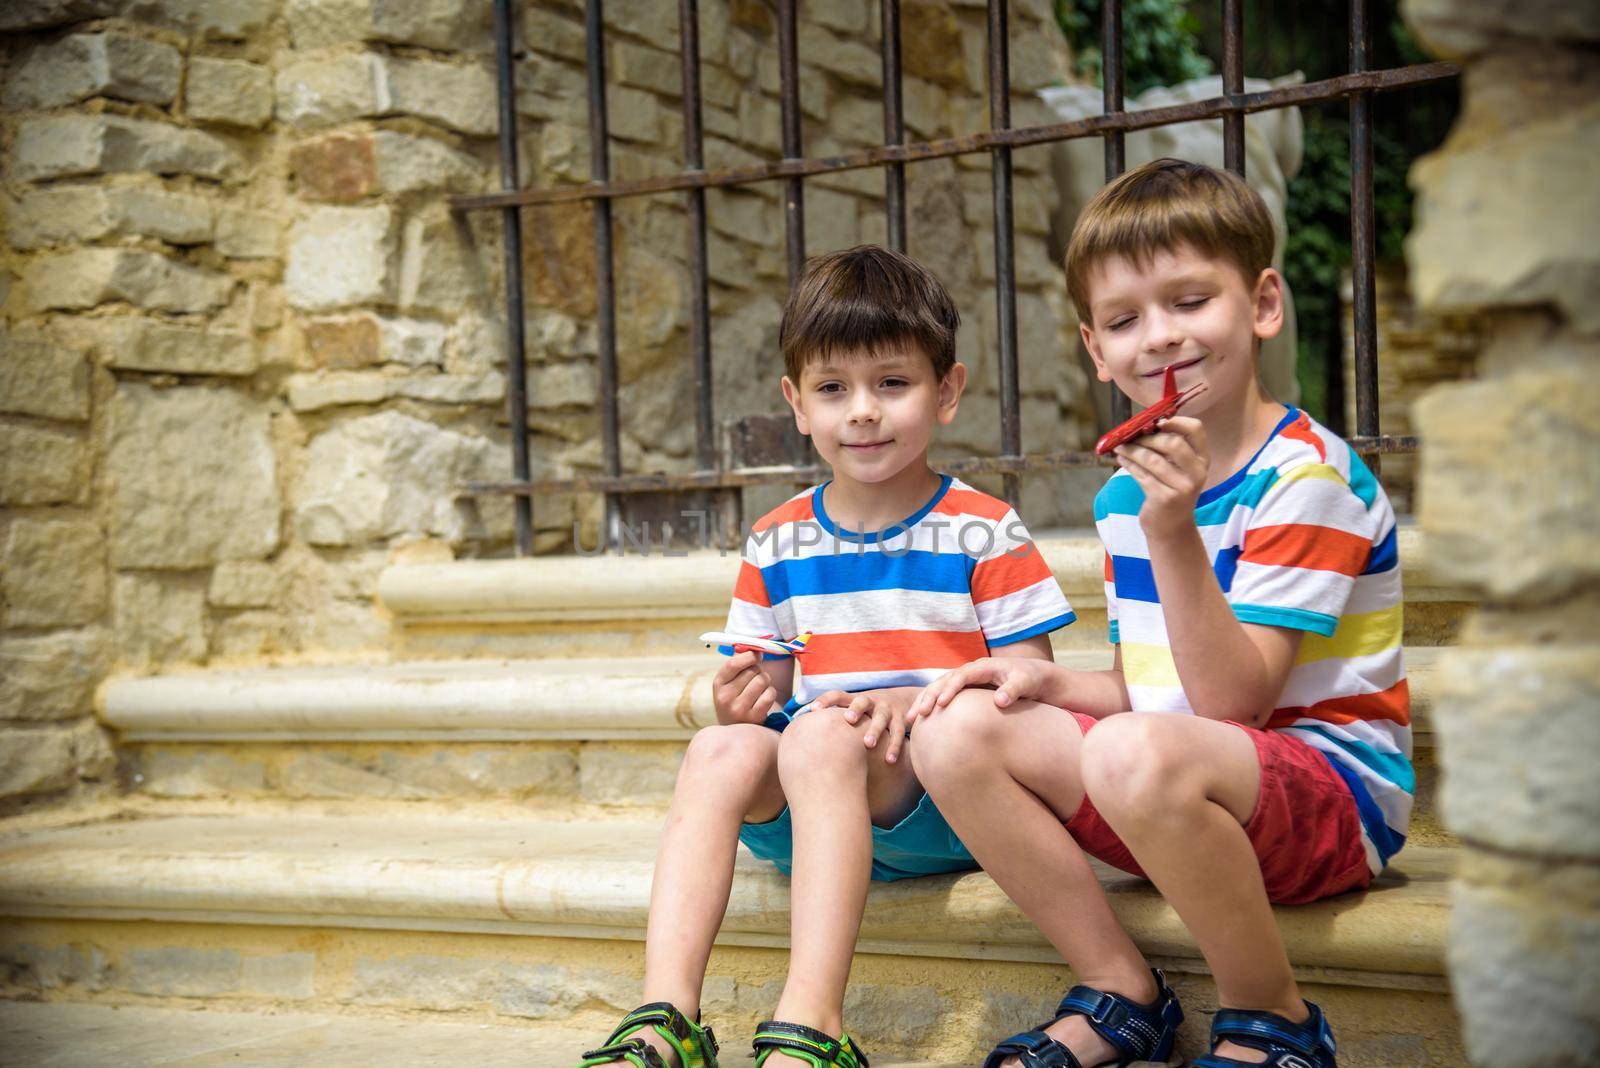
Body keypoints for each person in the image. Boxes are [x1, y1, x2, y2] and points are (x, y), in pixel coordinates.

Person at [906, 158, 1410, 1068]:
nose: (1161, 339)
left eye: (1189, 301)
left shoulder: (1308, 480)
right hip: (1177, 785)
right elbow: (1158, 691)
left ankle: (1276, 1021)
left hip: (1334, 803)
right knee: (954, 731)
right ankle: (1122, 993)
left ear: (1262, 305)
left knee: (1132, 754)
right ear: (1096, 352)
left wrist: (1173, 530)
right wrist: (1055, 681)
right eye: (1125, 320)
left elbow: (1231, 707)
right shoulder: (1122, 502)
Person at [577, 245, 1076, 1068]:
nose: (863, 413)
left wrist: (912, 710)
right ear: (797, 405)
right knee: (719, 746)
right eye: (833, 388)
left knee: (820, 734)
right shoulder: (778, 538)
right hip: (816, 800)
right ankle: (665, 1016)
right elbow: (769, 686)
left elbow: (1030, 696)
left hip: (937, 803)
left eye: (892, 382)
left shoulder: (984, 530)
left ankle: (813, 1024)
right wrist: (743, 694)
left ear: (946, 392)